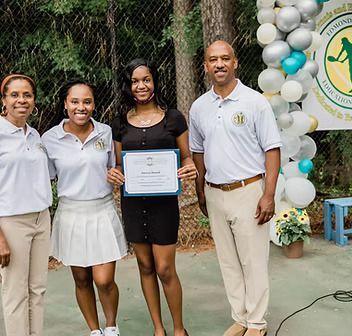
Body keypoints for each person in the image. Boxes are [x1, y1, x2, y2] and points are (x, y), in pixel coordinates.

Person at [189, 40, 282, 336]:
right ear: (205, 66)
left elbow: (272, 149)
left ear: (235, 62)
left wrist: (268, 194)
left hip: (249, 191)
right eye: (213, 59)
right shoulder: (199, 106)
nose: (219, 64)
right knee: (228, 261)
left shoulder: (255, 102)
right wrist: (201, 190)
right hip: (215, 192)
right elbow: (198, 151)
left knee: (253, 260)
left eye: (225, 58)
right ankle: (240, 317)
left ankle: (256, 323)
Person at [109, 58, 196, 336]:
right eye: (135, 81)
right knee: (145, 266)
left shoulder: (173, 118)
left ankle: (179, 329)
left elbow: (187, 157)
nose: (141, 85)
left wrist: (190, 167)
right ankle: (159, 329)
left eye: (146, 79)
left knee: (165, 268)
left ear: (154, 81)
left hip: (164, 205)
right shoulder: (120, 122)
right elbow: (119, 162)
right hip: (134, 203)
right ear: (128, 86)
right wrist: (116, 173)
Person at [42, 79, 127, 336]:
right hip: (71, 214)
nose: (81, 107)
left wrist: (116, 173)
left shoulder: (105, 132)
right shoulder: (50, 138)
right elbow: (46, 177)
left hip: (102, 211)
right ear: (65, 105)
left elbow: (115, 167)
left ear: (93, 104)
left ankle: (111, 327)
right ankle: (94, 330)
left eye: (87, 101)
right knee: (81, 279)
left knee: (104, 280)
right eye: (75, 101)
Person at [0, 74, 52, 336]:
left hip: (41, 218)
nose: (22, 100)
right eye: (15, 95)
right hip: (10, 222)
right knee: (15, 292)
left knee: (37, 289)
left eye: (27, 95)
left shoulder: (34, 135)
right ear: (4, 100)